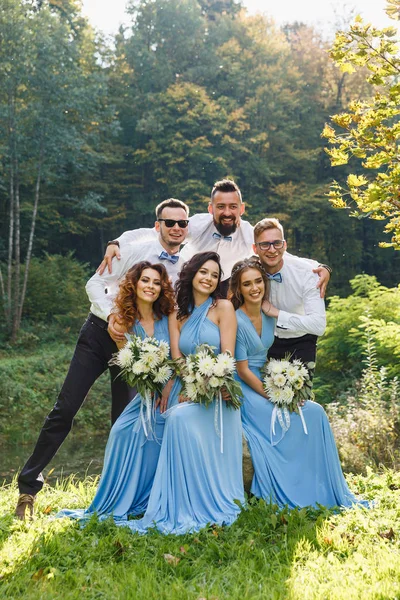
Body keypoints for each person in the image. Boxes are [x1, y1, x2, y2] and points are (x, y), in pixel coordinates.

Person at [15, 198, 189, 520]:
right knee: (65, 409)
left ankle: (116, 492)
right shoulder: (134, 250)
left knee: (124, 421)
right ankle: (27, 488)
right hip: (99, 334)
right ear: (158, 226)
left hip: (135, 347)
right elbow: (94, 282)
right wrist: (112, 315)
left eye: (182, 224)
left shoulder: (185, 264)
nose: (176, 228)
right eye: (170, 223)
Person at [230, 257, 368, 509]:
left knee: (314, 411)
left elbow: (287, 258)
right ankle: (290, 484)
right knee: (285, 415)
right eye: (246, 284)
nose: (254, 288)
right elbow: (243, 369)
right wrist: (272, 395)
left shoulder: (269, 314)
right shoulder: (235, 319)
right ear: (238, 289)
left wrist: (325, 267)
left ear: (265, 282)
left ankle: (319, 483)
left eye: (258, 281)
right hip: (246, 387)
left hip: (265, 380)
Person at [122, 252, 244, 534]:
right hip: (184, 382)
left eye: (215, 275)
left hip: (216, 390)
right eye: (204, 272)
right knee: (146, 423)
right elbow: (177, 358)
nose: (209, 279)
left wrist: (204, 386)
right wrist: (186, 384)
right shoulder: (177, 313)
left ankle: (191, 500)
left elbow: (227, 356)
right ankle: (140, 496)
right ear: (192, 274)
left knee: (177, 420)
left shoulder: (223, 308)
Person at [56, 261, 176, 523]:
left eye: (157, 283)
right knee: (122, 430)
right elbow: (127, 364)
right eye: (146, 280)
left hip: (171, 388)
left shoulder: (170, 317)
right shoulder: (123, 322)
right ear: (135, 283)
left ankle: (152, 495)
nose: (151, 287)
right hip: (145, 390)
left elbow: (177, 359)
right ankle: (126, 496)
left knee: (156, 426)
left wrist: (167, 385)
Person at [99, 179, 331, 299]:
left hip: (226, 289)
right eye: (221, 207)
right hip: (189, 285)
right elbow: (154, 231)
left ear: (242, 209)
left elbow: (280, 254)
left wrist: (319, 267)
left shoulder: (251, 233)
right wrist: (117, 242)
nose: (227, 212)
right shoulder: (197, 223)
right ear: (211, 208)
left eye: (232, 207)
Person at [254, 217, 326, 365]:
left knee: (299, 388)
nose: (272, 250)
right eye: (265, 244)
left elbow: (318, 326)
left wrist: (276, 313)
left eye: (277, 243)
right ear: (255, 249)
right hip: (263, 343)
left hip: (301, 343)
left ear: (285, 245)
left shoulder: (306, 273)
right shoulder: (249, 271)